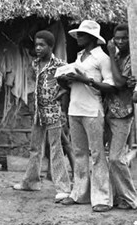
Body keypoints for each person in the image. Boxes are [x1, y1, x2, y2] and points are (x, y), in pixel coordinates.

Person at [57, 20, 116, 212]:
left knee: (98, 154)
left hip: (92, 110)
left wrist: (85, 79)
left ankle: (102, 198)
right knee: (80, 153)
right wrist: (65, 80)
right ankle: (79, 193)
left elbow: (110, 85)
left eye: (82, 35)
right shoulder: (79, 57)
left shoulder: (102, 58)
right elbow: (72, 84)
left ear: (92, 38)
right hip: (75, 109)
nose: (79, 38)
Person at [13, 31, 71, 201]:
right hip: (39, 112)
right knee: (35, 148)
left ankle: (63, 187)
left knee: (56, 149)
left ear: (51, 47)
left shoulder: (60, 65)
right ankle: (31, 182)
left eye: (42, 45)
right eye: (36, 45)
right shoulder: (35, 64)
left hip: (53, 112)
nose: (38, 48)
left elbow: (69, 85)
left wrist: (62, 98)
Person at [105, 23, 137, 210]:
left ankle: (131, 198)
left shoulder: (131, 59)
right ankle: (120, 197)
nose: (120, 41)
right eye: (117, 38)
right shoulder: (118, 56)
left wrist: (110, 54)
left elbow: (118, 83)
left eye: (124, 38)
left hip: (123, 113)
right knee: (112, 157)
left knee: (116, 158)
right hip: (111, 111)